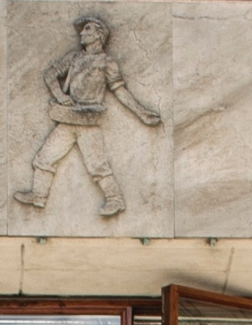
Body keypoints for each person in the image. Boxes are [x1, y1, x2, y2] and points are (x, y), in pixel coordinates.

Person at [14, 15, 164, 217]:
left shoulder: (106, 62)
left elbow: (120, 91)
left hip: (88, 120)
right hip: (67, 118)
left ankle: (115, 200)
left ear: (99, 35)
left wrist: (142, 113)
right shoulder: (74, 57)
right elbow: (50, 73)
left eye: (88, 30)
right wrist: (60, 96)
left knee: (98, 166)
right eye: (83, 30)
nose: (82, 34)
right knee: (44, 158)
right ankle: (39, 196)